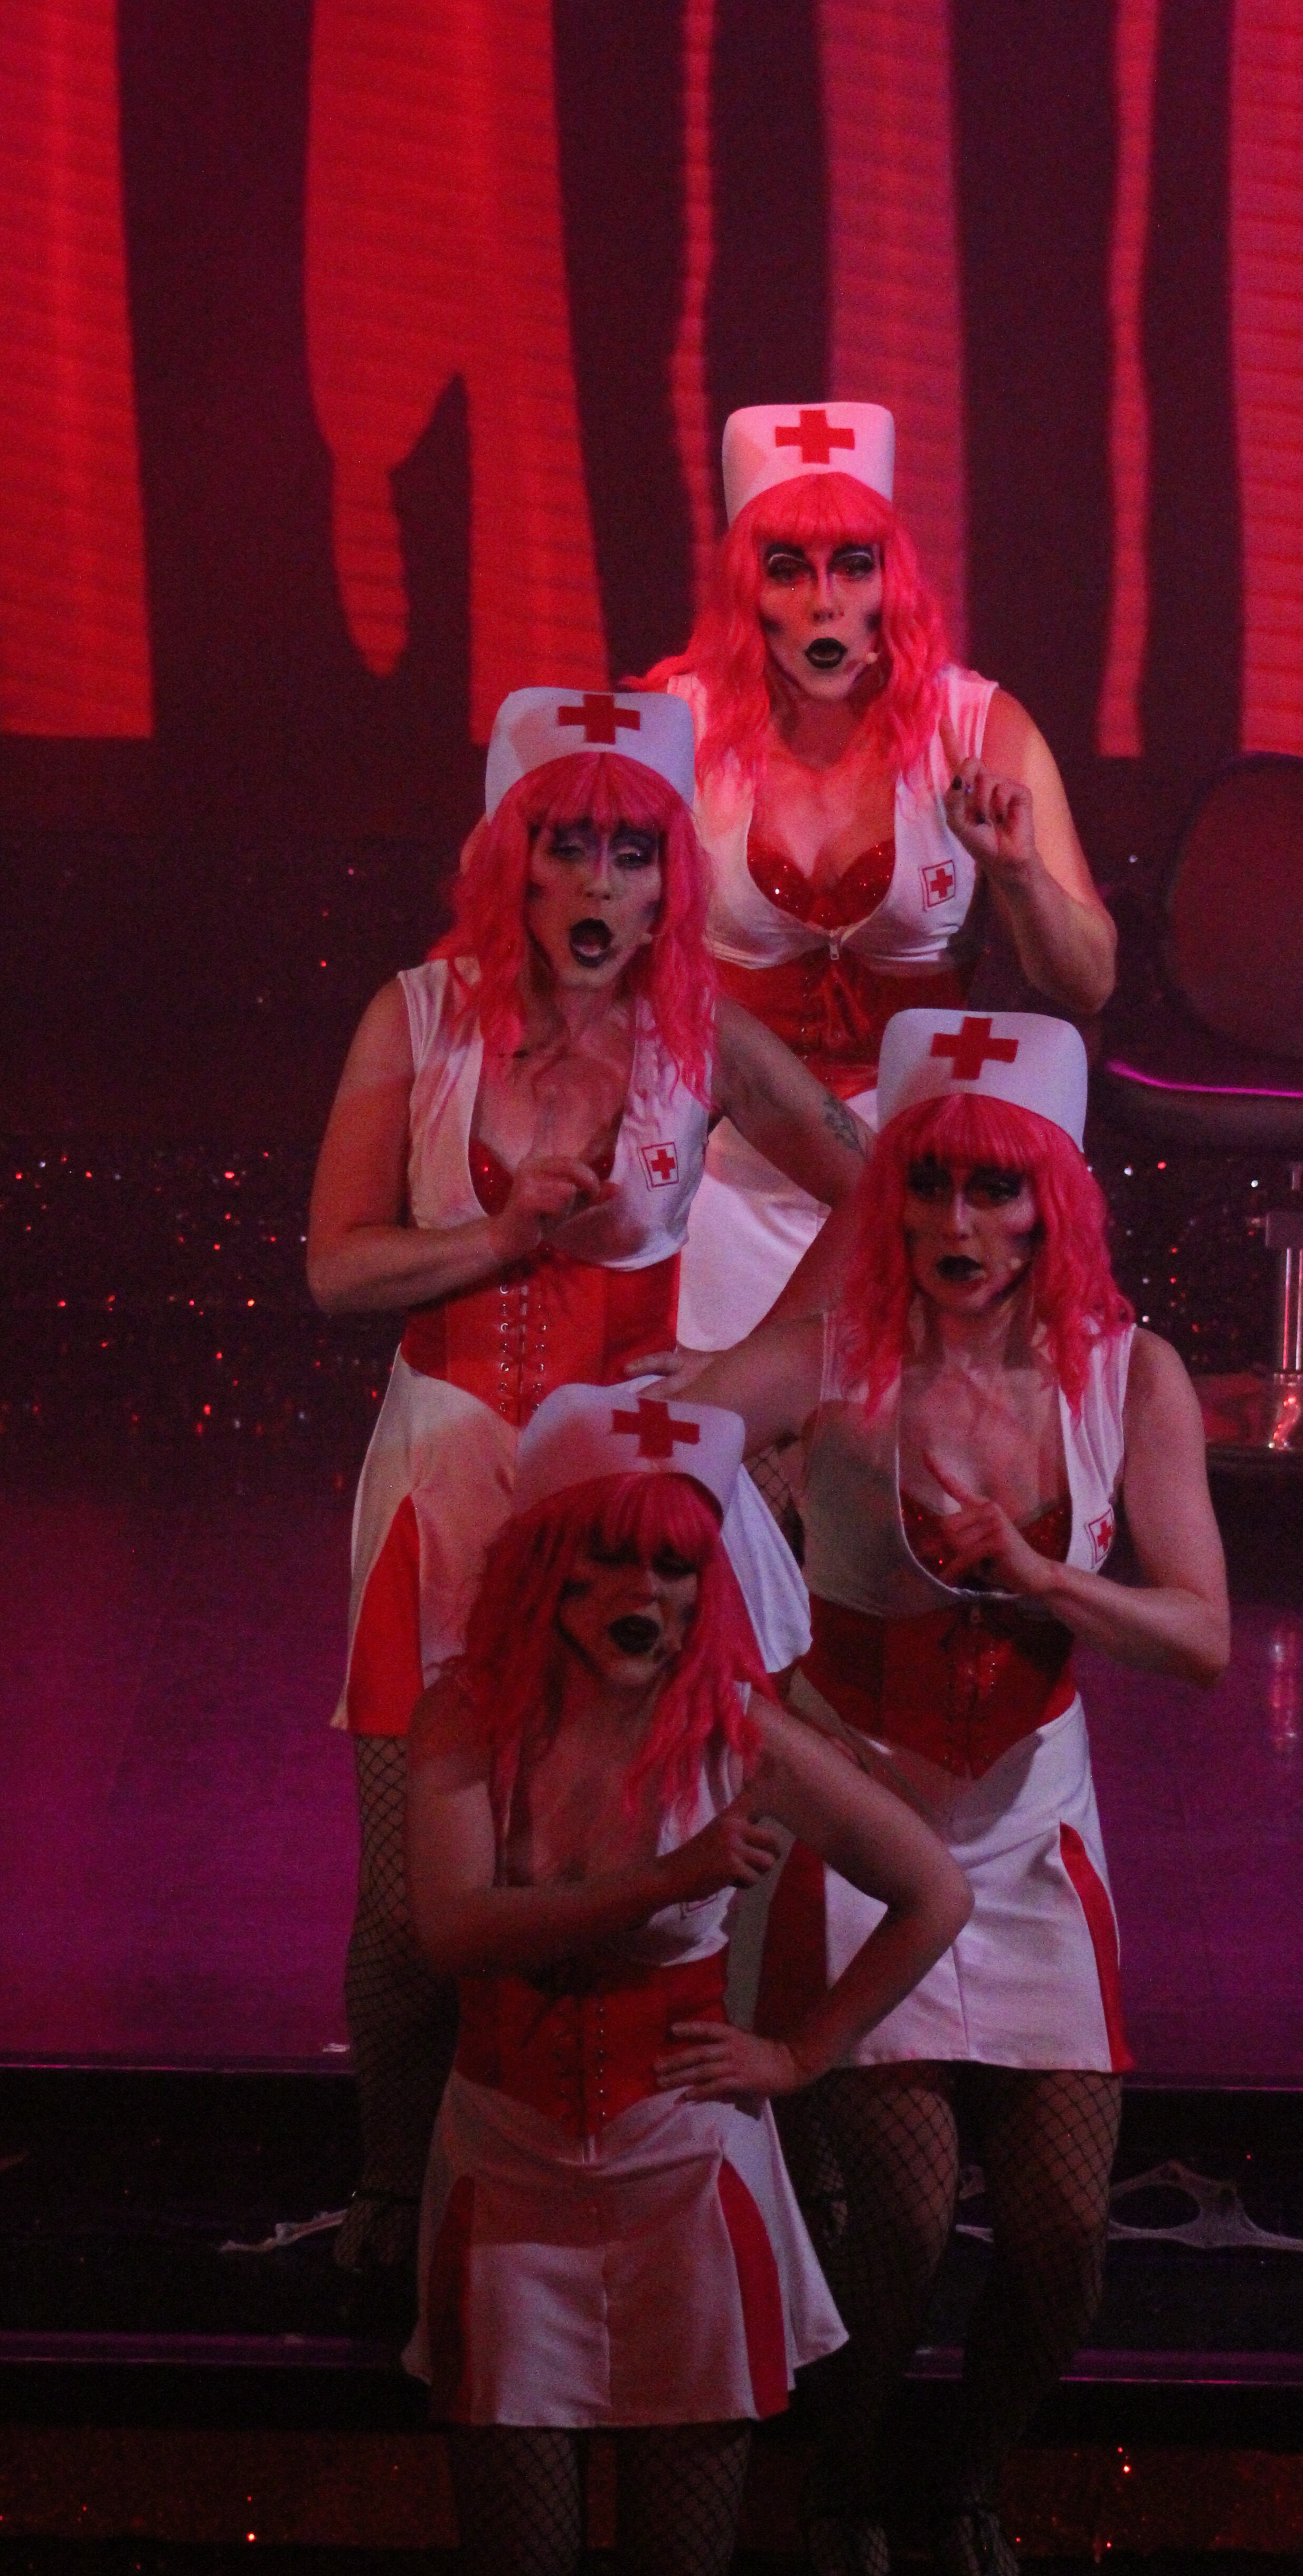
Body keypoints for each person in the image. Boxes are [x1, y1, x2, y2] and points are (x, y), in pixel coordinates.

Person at [306, 688, 875, 2282]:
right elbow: (337, 1270)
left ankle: (744, 2156)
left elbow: (879, 1184)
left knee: (702, 1857)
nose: (601, 883)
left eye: (634, 852)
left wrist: (750, 1373)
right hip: (453, 1480)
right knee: (415, 1903)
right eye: (569, 846)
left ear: (669, 876)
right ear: (515, 859)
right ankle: (396, 2182)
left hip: (639, 1499)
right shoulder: (415, 1020)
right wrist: (493, 1238)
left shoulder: (705, 1036)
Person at [672, 1008, 1229, 2576]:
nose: (959, 1224)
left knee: (1061, 2246)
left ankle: (969, 2473)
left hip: (1036, 1835)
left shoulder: (1133, 1377)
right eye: (928, 1186)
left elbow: (1200, 1637)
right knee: (903, 2227)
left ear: (1057, 1205)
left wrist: (1046, 1578)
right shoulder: (835, 1358)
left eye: (997, 1191)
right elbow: (667, 1445)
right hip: (863, 1835)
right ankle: (843, 2478)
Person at [402, 1379, 969, 2576]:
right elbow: (455, 1931)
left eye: (673, 1566)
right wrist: (670, 1878)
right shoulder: (469, 1715)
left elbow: (934, 1891)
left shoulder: (739, 1732)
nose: (643, 1595)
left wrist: (800, 2055)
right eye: (610, 1558)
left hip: (684, 2192)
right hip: (511, 2183)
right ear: (545, 1563)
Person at [638, 401, 1117, 1354]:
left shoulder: (973, 725)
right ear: (745, 592)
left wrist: (1017, 877)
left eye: (853, 566)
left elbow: (1089, 981)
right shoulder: (672, 723)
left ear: (890, 583)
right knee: (719, 1419)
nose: (825, 603)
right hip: (728, 1156)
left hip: (920, 1176)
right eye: (788, 570)